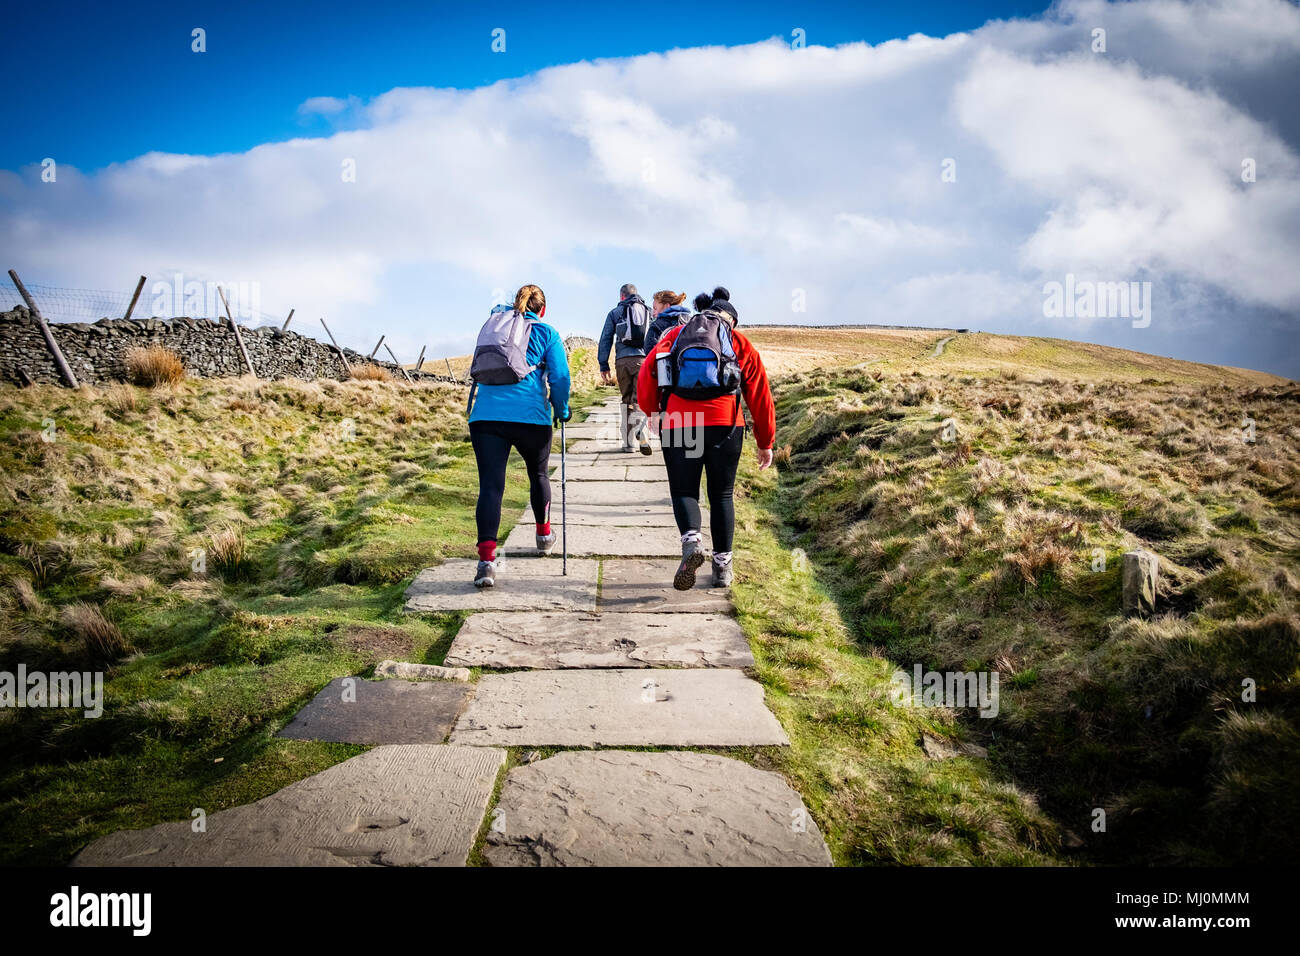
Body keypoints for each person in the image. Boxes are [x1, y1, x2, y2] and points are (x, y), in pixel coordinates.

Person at [637, 286, 775, 589]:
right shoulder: (739, 342)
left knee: (684, 490)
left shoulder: (675, 335)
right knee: (722, 494)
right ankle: (722, 567)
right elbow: (760, 396)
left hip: (679, 421)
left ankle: (692, 541)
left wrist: (651, 412)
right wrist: (766, 442)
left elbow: (648, 371)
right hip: (724, 424)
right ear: (731, 321)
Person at [467, 284, 571, 588]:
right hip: (530, 418)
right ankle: (543, 535)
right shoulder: (547, 332)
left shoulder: (494, 325)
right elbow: (560, 377)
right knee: (538, 475)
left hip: (485, 416)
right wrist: (561, 409)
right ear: (543, 309)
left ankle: (486, 563)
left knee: (491, 486)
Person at [597, 282, 652, 454]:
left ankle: (629, 444)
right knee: (639, 399)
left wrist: (603, 364)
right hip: (643, 361)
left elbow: (606, 338)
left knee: (626, 400)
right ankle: (640, 428)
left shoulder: (615, 313)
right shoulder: (649, 311)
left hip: (622, 361)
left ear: (622, 296)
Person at [644, 290, 692, 354]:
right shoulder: (692, 321)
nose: (653, 313)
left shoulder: (657, 325)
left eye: (655, 308)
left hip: (666, 363)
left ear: (667, 306)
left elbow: (649, 351)